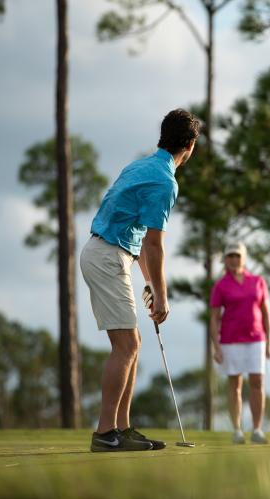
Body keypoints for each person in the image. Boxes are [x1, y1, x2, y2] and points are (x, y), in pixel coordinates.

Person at [80, 109, 200, 452]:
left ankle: (122, 428)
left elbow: (141, 239)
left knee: (132, 344)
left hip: (109, 253)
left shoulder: (140, 166)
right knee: (127, 345)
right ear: (190, 146)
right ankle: (105, 434)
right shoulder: (165, 181)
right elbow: (153, 242)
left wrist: (149, 283)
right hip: (107, 256)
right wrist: (161, 296)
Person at [209, 242, 270, 444]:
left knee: (257, 382)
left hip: (256, 339)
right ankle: (237, 430)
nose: (234, 259)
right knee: (234, 384)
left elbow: (266, 314)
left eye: (237, 256)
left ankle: (256, 429)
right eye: (230, 256)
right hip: (230, 340)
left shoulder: (258, 281)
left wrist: (269, 343)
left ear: (244, 258)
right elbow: (214, 318)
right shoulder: (221, 285)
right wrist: (216, 346)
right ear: (225, 260)